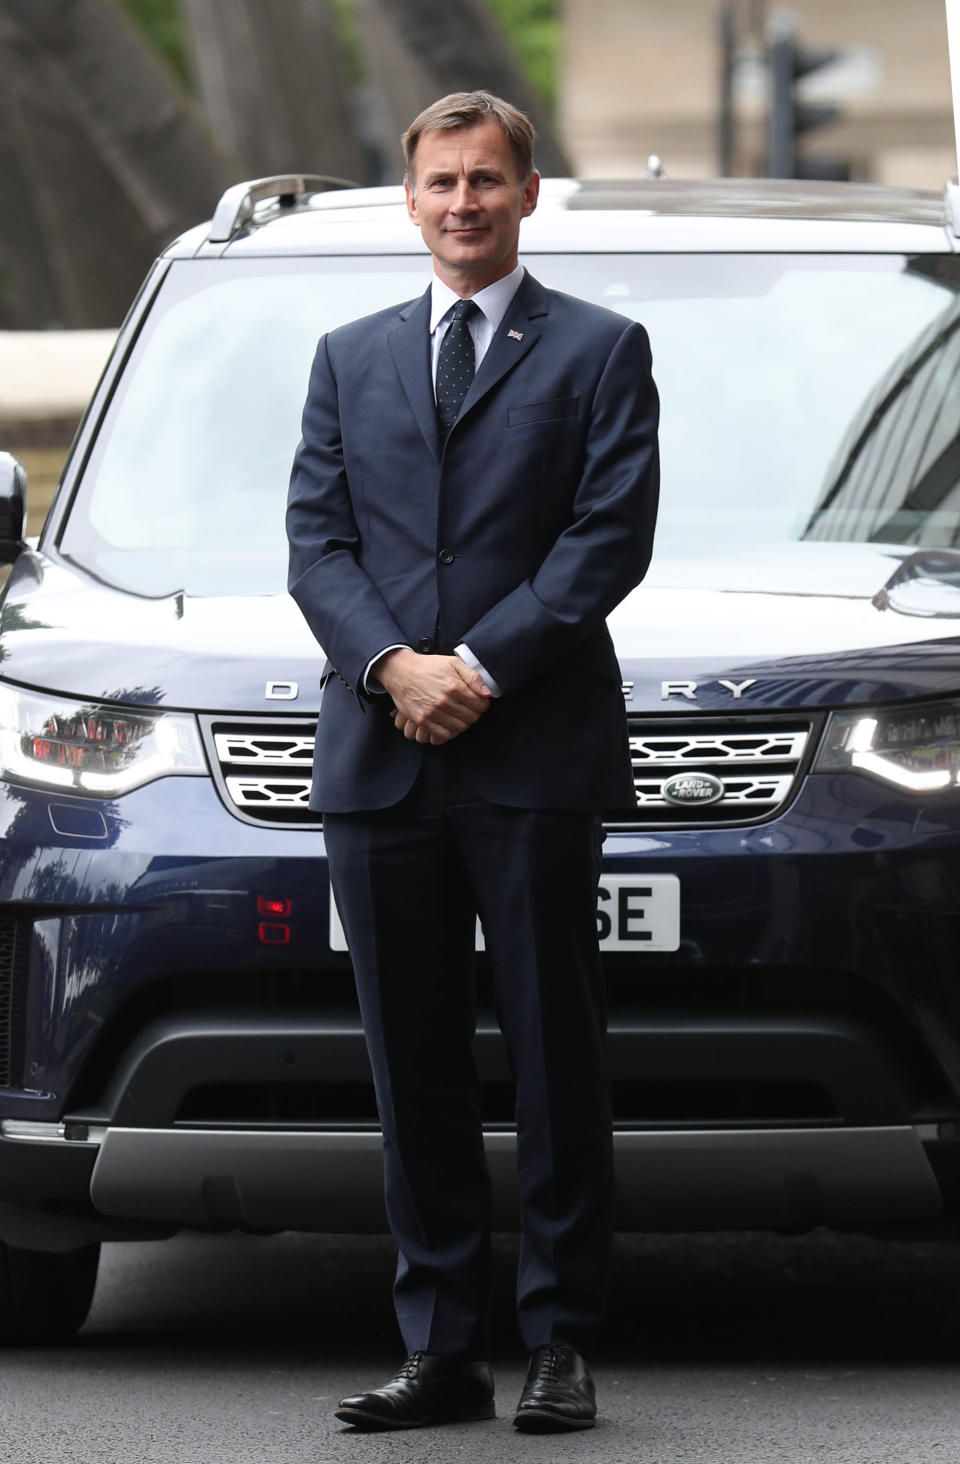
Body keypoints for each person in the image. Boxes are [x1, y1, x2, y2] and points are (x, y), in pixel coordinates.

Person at [286, 90, 659, 1433]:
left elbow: (607, 542)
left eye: (486, 180)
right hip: (380, 755)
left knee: (557, 1056)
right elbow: (316, 546)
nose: (463, 202)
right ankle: (439, 1348)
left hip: (534, 752)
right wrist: (394, 668)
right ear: (411, 199)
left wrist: (479, 667)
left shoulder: (602, 351)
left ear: (527, 192)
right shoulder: (347, 356)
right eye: (442, 181)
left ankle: (561, 1340)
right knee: (415, 1061)